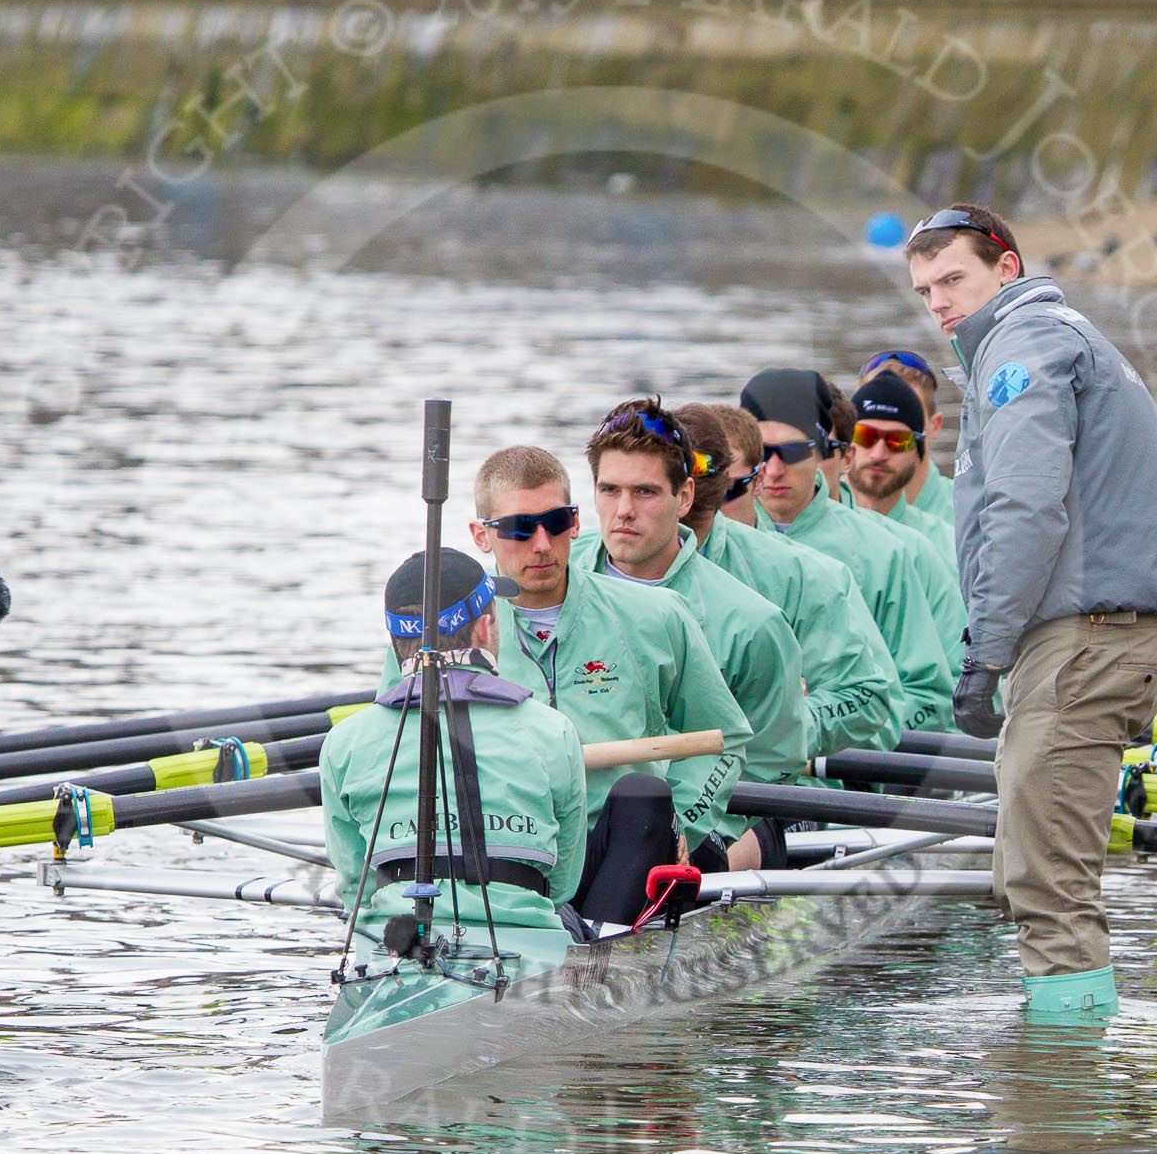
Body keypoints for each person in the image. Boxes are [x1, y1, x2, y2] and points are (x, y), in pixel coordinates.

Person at [908, 202, 1157, 1016]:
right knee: (1036, 876)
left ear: (1007, 268)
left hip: (1081, 645)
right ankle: (1063, 1087)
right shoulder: (1057, 340)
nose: (939, 302)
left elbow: (1026, 512)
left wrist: (983, 653)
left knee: (1046, 890)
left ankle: (1062, 1118)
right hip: (1096, 642)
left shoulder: (1022, 348)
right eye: (924, 289)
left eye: (953, 278)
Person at [465, 445, 752, 922]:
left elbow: (725, 741)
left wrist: (687, 822)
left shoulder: (654, 616)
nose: (541, 544)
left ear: (575, 523)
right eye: (519, 528)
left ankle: (595, 952)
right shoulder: (444, 633)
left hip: (618, 850)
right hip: (505, 850)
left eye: (556, 523)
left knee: (645, 793)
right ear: (481, 535)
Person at [574, 398, 812, 870]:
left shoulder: (753, 623)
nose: (623, 511)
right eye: (609, 490)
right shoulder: (541, 582)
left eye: (644, 492)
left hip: (691, 825)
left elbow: (770, 762)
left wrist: (680, 826)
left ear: (684, 497)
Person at [321, 548, 590, 937]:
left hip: (394, 948)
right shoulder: (555, 731)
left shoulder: (343, 743)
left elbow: (352, 888)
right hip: (529, 946)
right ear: (484, 627)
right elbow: (563, 884)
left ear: (395, 640)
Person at [678, 402, 904, 758]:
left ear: (758, 480)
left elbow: (872, 702)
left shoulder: (811, 574)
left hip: (781, 788)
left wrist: (782, 722)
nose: (701, 507)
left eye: (725, 491)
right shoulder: (587, 566)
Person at [739, 368, 957, 734]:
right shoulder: (711, 540)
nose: (773, 470)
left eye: (792, 452)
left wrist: (806, 731)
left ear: (828, 454)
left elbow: (930, 698)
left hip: (844, 768)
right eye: (763, 454)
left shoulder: (886, 552)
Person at [830, 384, 969, 688]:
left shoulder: (945, 545)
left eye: (897, 441)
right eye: (865, 437)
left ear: (919, 452)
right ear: (847, 450)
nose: (879, 453)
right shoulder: (807, 545)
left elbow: (960, 666)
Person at [856, 349, 958, 542]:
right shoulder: (827, 499)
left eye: (906, 417)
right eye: (867, 433)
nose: (879, 452)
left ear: (934, 425)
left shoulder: (966, 510)